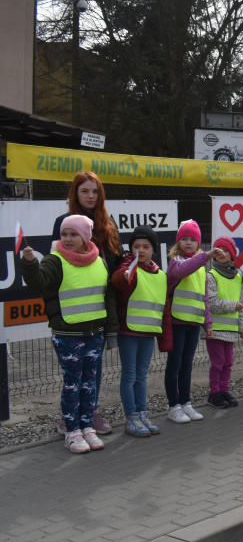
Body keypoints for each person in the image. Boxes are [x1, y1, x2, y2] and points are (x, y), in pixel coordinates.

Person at [22, 215, 117, 453]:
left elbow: (109, 298)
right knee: (73, 384)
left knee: (89, 385)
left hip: (95, 334)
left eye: (74, 234)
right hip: (67, 334)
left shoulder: (100, 262)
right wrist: (30, 262)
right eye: (64, 234)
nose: (68, 239)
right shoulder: (55, 261)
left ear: (86, 237)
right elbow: (37, 281)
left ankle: (87, 427)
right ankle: (72, 431)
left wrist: (111, 331)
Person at [50, 171, 122, 435]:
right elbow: (55, 264)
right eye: (85, 191)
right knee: (74, 372)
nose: (90, 196)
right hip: (74, 313)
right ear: (75, 194)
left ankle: (90, 414)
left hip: (101, 307)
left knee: (94, 368)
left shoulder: (107, 222)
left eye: (95, 191)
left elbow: (118, 256)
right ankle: (69, 418)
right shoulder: (63, 222)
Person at [113, 226, 168, 437]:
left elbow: (165, 309)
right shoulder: (128, 268)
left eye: (145, 247)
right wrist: (124, 275)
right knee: (129, 376)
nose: (140, 251)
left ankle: (142, 414)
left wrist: (165, 338)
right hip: (129, 332)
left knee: (142, 376)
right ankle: (131, 418)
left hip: (148, 332)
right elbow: (118, 281)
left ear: (153, 249)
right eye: (136, 246)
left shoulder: (159, 273)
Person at [165, 220, 222, 423]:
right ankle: (173, 406)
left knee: (187, 365)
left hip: (193, 323)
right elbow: (181, 272)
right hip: (177, 322)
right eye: (184, 239)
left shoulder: (201, 269)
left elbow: (204, 297)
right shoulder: (176, 262)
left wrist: (208, 323)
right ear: (178, 242)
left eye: (193, 239)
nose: (188, 243)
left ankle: (185, 403)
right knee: (175, 365)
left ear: (198, 243)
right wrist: (205, 255)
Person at [205, 236, 243, 407]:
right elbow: (212, 302)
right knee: (218, 362)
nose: (222, 253)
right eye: (218, 250)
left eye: (226, 250)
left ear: (233, 253)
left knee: (228, 362)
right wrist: (233, 306)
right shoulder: (211, 276)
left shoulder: (238, 277)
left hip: (231, 330)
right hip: (215, 330)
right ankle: (214, 394)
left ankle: (224, 390)